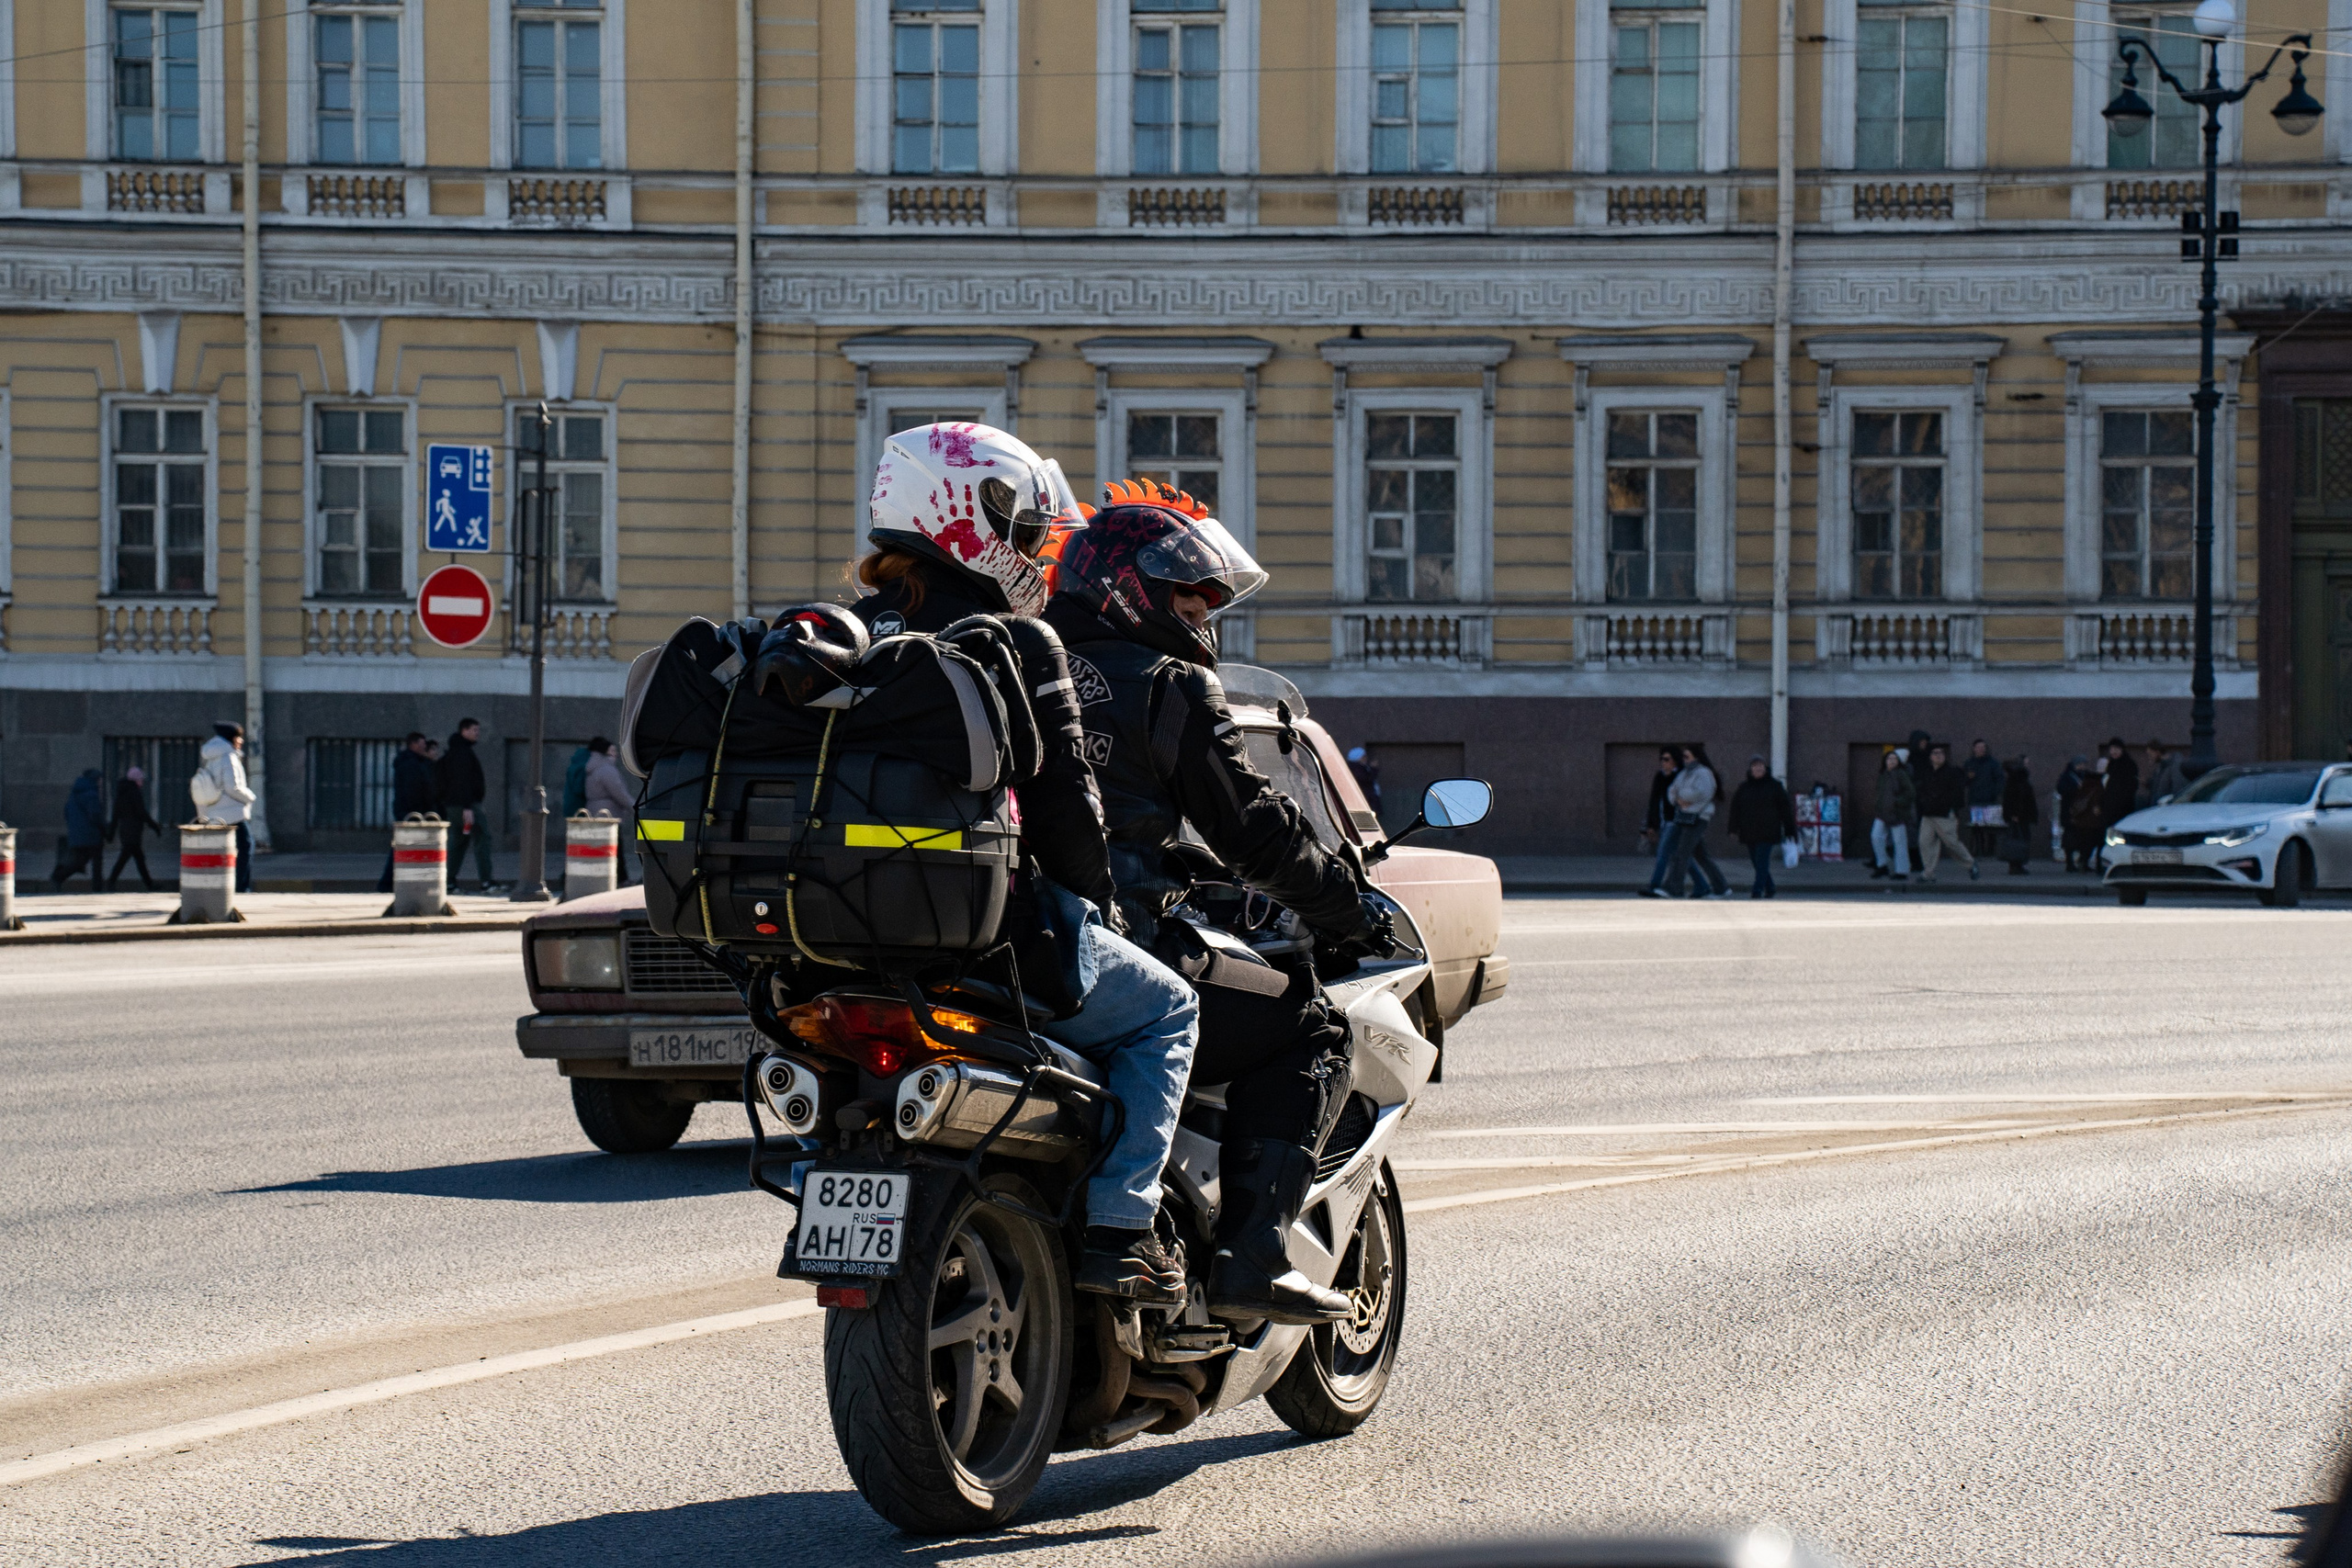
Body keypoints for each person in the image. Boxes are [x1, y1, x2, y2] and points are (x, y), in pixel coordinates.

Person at [845, 423, 1200, 1308]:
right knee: (1168, 1011)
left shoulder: (838, 636)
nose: (1038, 557)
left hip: (841, 941)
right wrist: (1099, 909)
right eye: (1030, 532)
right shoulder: (1014, 643)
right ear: (975, 515)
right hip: (986, 939)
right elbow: (1069, 816)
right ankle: (1121, 1229)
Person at [1047, 475, 1391, 1324]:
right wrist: (1350, 907)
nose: (1200, 619)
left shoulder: (1015, 659)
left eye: (1208, 604)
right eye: (1188, 600)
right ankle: (1250, 1255)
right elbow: (1256, 832)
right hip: (1115, 942)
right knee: (1307, 1023)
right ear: (1133, 591)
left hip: (997, 931)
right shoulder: (1164, 683)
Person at [1651, 743, 1728, 898]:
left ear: (1696, 757)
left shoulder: (1703, 773)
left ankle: (1673, 888)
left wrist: (1682, 797)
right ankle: (1721, 887)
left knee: (1682, 853)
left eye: (1687, 756)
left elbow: (1702, 793)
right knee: (1701, 856)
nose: (1684, 759)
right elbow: (1671, 791)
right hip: (1685, 816)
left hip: (1698, 817)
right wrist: (1679, 800)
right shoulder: (1684, 773)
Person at [375, 733, 442, 893]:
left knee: (405, 846)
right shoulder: (411, 764)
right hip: (410, 810)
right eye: (421, 744)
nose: (424, 747)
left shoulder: (415, 762)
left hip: (411, 809)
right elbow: (415, 790)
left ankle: (392, 882)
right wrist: (419, 810)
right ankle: (388, 882)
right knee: (403, 846)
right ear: (413, 744)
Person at [196, 721, 258, 893]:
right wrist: (250, 797)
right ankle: (241, 886)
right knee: (246, 846)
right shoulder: (229, 757)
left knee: (225, 849)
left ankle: (227, 885)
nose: (241, 741)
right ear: (231, 738)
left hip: (215, 810)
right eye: (239, 737)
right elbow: (233, 787)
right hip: (232, 811)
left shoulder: (212, 756)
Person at [438, 718, 496, 893]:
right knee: (482, 837)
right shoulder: (462, 752)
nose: (477, 733)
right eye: (474, 730)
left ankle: (448, 881)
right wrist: (467, 807)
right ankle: (487, 882)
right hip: (465, 805)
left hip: (455, 805)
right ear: (464, 730)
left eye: (478, 730)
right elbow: (461, 781)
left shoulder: (457, 751)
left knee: (459, 842)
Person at [1728, 755, 1797, 899]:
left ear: (1765, 769)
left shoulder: (1774, 786)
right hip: (1749, 831)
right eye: (1755, 766)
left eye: (1761, 766)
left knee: (1762, 861)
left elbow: (1785, 809)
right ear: (1751, 769)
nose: (1758, 769)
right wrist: (1733, 828)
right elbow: (1735, 809)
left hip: (1768, 831)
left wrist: (1790, 829)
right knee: (1756, 861)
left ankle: (1757, 889)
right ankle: (1770, 887)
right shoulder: (1744, 787)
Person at [1915, 741, 1979, 882]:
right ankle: (1929, 873)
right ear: (1930, 756)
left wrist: (1953, 808)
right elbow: (1920, 790)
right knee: (1925, 843)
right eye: (1935, 753)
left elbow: (1959, 790)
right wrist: (1924, 802)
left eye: (1941, 753)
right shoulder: (1926, 772)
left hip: (1944, 813)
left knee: (1952, 843)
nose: (1939, 756)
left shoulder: (1952, 771)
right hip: (1928, 813)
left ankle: (1971, 864)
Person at [582, 737, 635, 885]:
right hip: (609, 814)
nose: (615, 754)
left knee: (600, 847)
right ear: (604, 752)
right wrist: (635, 808)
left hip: (594, 810)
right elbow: (620, 793)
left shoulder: (592, 767)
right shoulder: (606, 769)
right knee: (615, 847)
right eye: (612, 750)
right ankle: (621, 878)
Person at [103, 765, 163, 892]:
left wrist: (111, 834)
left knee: (138, 859)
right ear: (136, 780)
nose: (142, 782)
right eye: (140, 779)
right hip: (133, 832)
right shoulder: (134, 792)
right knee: (126, 858)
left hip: (126, 831)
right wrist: (154, 826)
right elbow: (141, 812)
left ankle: (149, 884)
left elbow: (115, 816)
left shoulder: (121, 792)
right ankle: (111, 882)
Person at [51, 768, 107, 892]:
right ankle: (97, 888)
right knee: (96, 862)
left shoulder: (75, 793)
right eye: (100, 780)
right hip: (91, 834)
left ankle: (58, 876)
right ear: (95, 780)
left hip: (77, 834)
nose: (101, 783)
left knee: (79, 861)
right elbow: (95, 815)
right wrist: (104, 828)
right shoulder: (92, 794)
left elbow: (66, 812)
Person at [1871, 748, 1916, 880]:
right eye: (1889, 759)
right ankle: (1882, 864)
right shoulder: (1883, 775)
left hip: (1897, 813)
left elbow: (1910, 793)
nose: (1891, 761)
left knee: (1899, 841)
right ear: (1885, 761)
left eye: (1894, 759)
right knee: (1876, 836)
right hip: (1883, 812)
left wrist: (1897, 803)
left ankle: (1901, 871)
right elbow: (1879, 794)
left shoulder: (1901, 774)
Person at [2098, 737, 2140, 863]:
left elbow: (2131, 786)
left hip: (2122, 808)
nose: (2113, 752)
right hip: (2108, 808)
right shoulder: (2110, 765)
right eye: (2111, 749)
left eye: (2116, 749)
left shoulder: (2129, 765)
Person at [1963, 739, 2005, 858]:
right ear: (1974, 749)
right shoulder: (1969, 763)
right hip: (1975, 799)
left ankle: (1990, 850)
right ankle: (1979, 849)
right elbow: (1963, 782)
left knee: (1991, 827)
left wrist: (1995, 792)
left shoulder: (1993, 763)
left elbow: (2000, 779)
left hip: (1990, 800)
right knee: (1977, 827)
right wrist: (1968, 778)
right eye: (1978, 747)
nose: (1981, 749)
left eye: (1983, 747)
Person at [1641, 747, 1679, 874]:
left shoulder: (1680, 776)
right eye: (1661, 759)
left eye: (1666, 759)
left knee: (1663, 853)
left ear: (1674, 760)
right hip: (1662, 821)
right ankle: (1701, 884)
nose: (1663, 762)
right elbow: (1653, 801)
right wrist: (1650, 825)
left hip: (1675, 821)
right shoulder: (1659, 776)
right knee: (1676, 856)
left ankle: (1656, 885)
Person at [1999, 755, 2040, 875]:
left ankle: (2016, 864)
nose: (2028, 765)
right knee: (2019, 840)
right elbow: (2016, 798)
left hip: (2020, 815)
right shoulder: (2019, 779)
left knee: (2018, 839)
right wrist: (2015, 814)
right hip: (2019, 816)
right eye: (2026, 763)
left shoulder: (2016, 778)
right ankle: (2016, 865)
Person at [2143, 739, 2186, 807]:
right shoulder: (2160, 767)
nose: (2150, 757)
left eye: (2150, 754)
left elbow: (2177, 787)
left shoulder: (2174, 766)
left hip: (2167, 806)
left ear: (2157, 752)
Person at [1344, 746, 1382, 818]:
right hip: (1366, 799)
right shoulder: (1356, 769)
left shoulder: (1362, 767)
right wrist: (1373, 769)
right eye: (1363, 757)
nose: (1365, 758)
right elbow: (1367, 779)